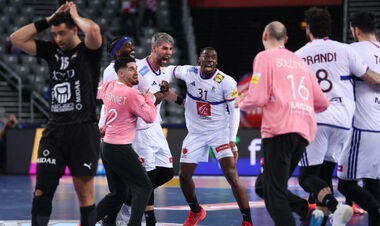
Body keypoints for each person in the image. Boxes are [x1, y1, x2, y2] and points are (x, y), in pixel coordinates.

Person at [10, 2, 102, 225]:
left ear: (73, 30)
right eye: (54, 34)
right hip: (54, 132)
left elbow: (94, 31)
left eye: (62, 33)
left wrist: (75, 16)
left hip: (83, 131)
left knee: (84, 194)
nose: (58, 39)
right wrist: (49, 20)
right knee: (42, 191)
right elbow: (16, 39)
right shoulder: (52, 51)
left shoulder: (88, 52)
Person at [238, 21, 329, 226]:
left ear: (264, 36)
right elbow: (322, 102)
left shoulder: (264, 57)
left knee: (274, 193)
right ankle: (306, 211)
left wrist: (240, 102)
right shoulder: (300, 62)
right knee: (264, 186)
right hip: (303, 133)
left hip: (280, 131)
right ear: (285, 40)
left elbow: (257, 98)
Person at [295, 7, 380, 225]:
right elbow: (371, 78)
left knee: (307, 177)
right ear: (329, 30)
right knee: (325, 174)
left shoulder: (298, 56)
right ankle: (329, 218)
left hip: (317, 120)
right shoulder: (345, 50)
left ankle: (336, 208)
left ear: (309, 31)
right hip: (342, 122)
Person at [98, 33, 180, 226]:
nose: (133, 47)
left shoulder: (150, 69)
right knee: (145, 176)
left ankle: (128, 204)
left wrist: (167, 96)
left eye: (170, 49)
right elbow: (109, 101)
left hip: (154, 125)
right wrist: (103, 124)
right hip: (138, 127)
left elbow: (150, 95)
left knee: (166, 171)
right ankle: (144, 217)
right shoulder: (119, 70)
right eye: (127, 45)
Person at [168, 47, 252, 226]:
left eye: (213, 58)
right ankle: (196, 211)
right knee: (183, 175)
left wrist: (232, 141)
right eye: (206, 57)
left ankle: (247, 221)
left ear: (217, 61)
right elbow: (170, 70)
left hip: (219, 133)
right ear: (199, 59)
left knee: (231, 174)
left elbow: (234, 111)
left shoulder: (226, 82)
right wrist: (160, 82)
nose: (209, 60)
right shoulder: (189, 72)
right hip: (196, 133)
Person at [96, 57, 157, 226]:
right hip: (119, 148)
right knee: (144, 187)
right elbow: (150, 117)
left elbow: (98, 91)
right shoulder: (132, 94)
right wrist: (149, 99)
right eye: (131, 69)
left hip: (106, 146)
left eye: (136, 68)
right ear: (121, 73)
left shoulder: (108, 86)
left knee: (119, 193)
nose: (136, 72)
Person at [337, 11, 380, 226]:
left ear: (355, 29)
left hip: (362, 126)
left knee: (345, 185)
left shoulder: (351, 50)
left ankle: (378, 211)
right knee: (373, 185)